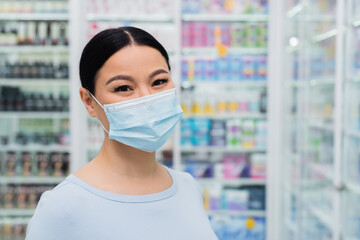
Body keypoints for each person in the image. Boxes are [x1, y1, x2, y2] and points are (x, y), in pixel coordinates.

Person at [25, 26, 218, 240]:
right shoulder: (63, 207)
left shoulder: (188, 187)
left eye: (159, 82)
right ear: (89, 102)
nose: (146, 98)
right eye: (124, 88)